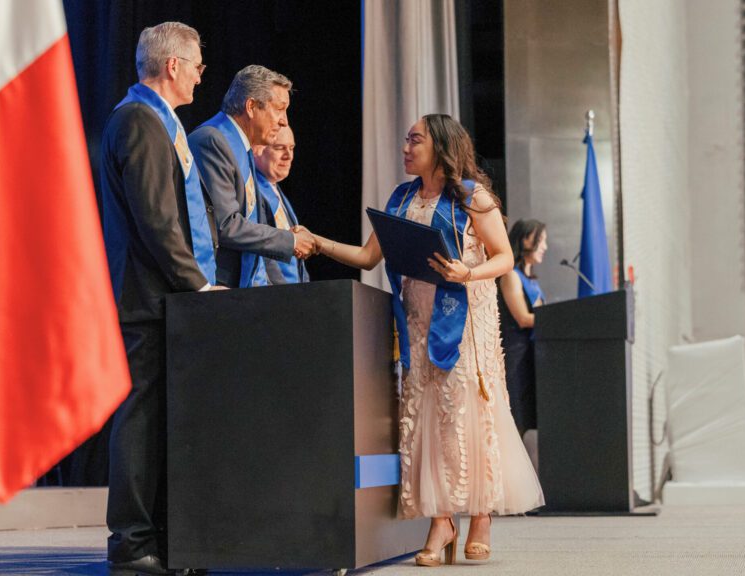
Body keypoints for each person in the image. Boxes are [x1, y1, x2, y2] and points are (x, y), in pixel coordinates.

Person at [313, 114, 543, 566]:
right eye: (405, 140)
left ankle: (480, 514)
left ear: (439, 147)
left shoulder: (472, 198)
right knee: (427, 419)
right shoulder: (401, 198)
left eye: (414, 140)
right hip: (417, 322)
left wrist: (468, 271)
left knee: (466, 412)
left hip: (465, 320)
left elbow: (505, 257)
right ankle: (441, 519)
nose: (405, 147)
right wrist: (316, 243)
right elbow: (366, 256)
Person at [99, 22, 221, 576]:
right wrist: (197, 283)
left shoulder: (159, 121)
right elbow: (157, 220)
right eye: (196, 64)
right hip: (146, 302)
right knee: (140, 422)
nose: (200, 74)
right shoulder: (138, 121)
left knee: (162, 424)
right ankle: (131, 543)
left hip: (165, 302)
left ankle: (165, 539)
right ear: (172, 66)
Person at [188, 65, 316, 288]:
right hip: (216, 290)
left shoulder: (242, 148)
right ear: (251, 106)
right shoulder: (212, 141)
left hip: (242, 291)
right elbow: (226, 224)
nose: (284, 120)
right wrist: (290, 240)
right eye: (279, 109)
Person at [498, 219, 547, 439]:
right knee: (515, 422)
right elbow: (523, 318)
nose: (544, 246)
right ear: (525, 238)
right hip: (516, 359)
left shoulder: (532, 281)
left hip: (533, 358)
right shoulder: (511, 275)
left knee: (526, 423)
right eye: (541, 240)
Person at [253, 125, 308, 283]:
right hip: (276, 297)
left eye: (291, 148)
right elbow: (264, 254)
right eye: (279, 148)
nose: (288, 156)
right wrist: (285, 296)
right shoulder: (254, 191)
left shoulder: (275, 189)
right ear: (258, 148)